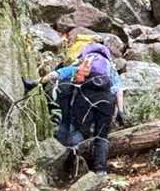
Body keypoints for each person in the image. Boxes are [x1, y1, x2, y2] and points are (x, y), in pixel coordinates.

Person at [37, 41, 124, 173]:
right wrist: (121, 111)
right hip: (106, 101)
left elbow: (60, 73)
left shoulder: (85, 61)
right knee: (101, 136)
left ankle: (70, 167)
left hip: (85, 99)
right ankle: (100, 170)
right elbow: (118, 89)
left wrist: (38, 82)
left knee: (79, 131)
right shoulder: (109, 66)